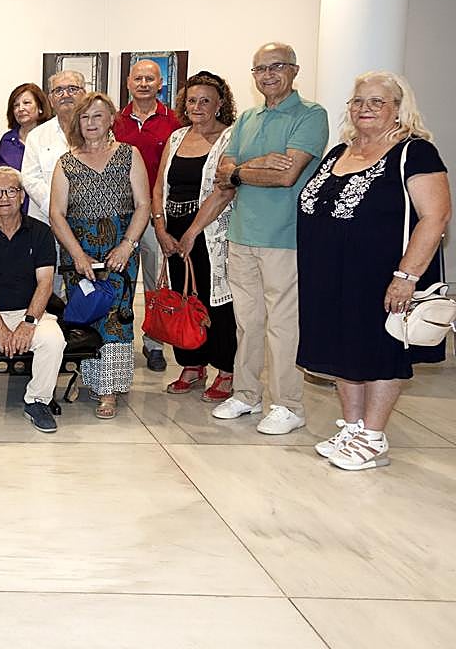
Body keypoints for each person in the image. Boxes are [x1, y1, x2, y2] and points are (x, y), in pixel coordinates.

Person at [297, 71, 450, 469]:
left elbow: (435, 217)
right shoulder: (338, 152)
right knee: (344, 352)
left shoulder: (414, 152)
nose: (365, 108)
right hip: (332, 277)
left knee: (380, 352)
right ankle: (352, 426)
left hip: (384, 278)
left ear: (399, 109)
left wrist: (406, 277)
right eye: (358, 101)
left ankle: (374, 435)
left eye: (377, 102)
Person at [212, 42, 328, 435]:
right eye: (260, 69)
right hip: (242, 233)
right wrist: (254, 165)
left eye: (277, 66)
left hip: (284, 236)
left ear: (294, 70)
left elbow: (286, 175)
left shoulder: (311, 116)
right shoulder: (247, 117)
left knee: (282, 324)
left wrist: (242, 170)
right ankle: (247, 394)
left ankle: (288, 404)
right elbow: (223, 171)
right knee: (247, 322)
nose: (268, 75)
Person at [49, 92, 150, 419]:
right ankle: (87, 377)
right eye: (85, 117)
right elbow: (56, 214)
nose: (91, 123)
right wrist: (76, 254)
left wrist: (128, 245)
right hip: (79, 251)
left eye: (98, 116)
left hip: (120, 249)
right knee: (85, 315)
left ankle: (108, 390)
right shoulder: (66, 162)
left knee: (116, 319)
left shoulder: (128, 155)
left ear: (110, 120)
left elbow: (144, 205)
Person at [150, 71, 239, 400]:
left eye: (205, 101)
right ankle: (192, 364)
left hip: (211, 232)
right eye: (191, 100)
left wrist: (193, 232)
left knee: (217, 302)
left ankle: (225, 370)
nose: (197, 106)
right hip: (172, 229)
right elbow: (159, 185)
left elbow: (224, 190)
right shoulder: (176, 137)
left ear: (219, 104)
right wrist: (160, 227)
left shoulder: (231, 138)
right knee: (183, 298)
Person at [0, 166, 64, 433]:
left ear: (22, 196)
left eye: (11, 190)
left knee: (53, 339)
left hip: (30, 310)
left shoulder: (41, 232)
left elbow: (45, 282)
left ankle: (37, 401)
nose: (4, 197)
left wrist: (28, 323)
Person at [113, 60, 180, 373]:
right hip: (119, 214)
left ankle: (154, 343)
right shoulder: (115, 121)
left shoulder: (174, 122)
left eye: (149, 79)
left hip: (155, 214)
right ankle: (119, 343)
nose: (143, 83)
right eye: (137, 78)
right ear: (128, 82)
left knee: (155, 284)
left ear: (159, 83)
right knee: (121, 283)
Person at [21, 70, 85, 225]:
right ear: (50, 99)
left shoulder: (97, 132)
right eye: (58, 91)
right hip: (46, 221)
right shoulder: (37, 136)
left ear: (84, 94)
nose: (65, 95)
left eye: (72, 89)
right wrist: (59, 210)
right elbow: (31, 179)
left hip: (87, 220)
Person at [0, 83, 52, 215]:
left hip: (45, 212)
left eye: (26, 103)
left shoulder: (52, 138)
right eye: (16, 105)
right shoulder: (7, 140)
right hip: (12, 214)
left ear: (40, 107)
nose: (21, 108)